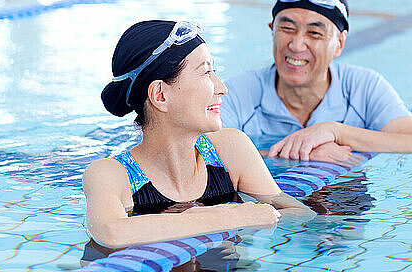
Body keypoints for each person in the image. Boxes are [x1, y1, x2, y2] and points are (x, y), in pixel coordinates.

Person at [83, 20, 314, 251]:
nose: (221, 87)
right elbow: (111, 232)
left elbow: (299, 214)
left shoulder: (230, 151)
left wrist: (260, 216)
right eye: (206, 72)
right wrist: (230, 217)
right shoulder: (111, 175)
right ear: (160, 95)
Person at [220, 0, 412, 162]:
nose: (296, 45)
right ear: (272, 30)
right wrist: (298, 153)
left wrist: (334, 131)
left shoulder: (363, 87)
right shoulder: (239, 92)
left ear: (339, 43)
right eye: (286, 29)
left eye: (314, 33)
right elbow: (200, 151)